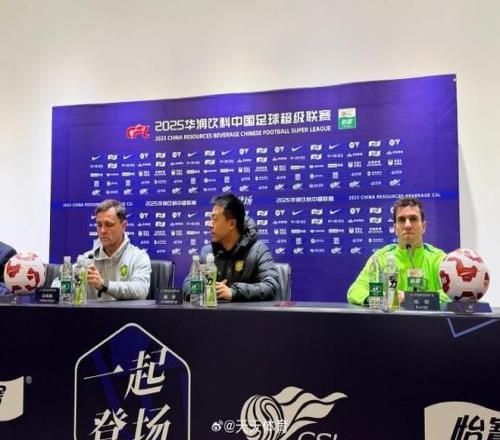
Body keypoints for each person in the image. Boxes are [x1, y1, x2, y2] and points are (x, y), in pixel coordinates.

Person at [347, 197, 449, 305]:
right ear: (395, 228)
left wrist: (410, 298)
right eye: (401, 220)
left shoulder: (438, 259)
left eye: (413, 219)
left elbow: (452, 294)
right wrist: (382, 299)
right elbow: (355, 291)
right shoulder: (381, 258)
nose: (407, 225)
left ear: (423, 226)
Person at [183, 193, 279, 301]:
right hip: (213, 311)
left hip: (245, 312)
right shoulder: (207, 252)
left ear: (232, 224)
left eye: (215, 219)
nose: (210, 224)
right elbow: (188, 283)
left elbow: (271, 286)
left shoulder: (258, 251)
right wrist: (206, 289)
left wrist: (234, 292)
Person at [82, 199, 151, 300]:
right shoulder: (87, 259)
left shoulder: (138, 257)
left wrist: (104, 285)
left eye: (109, 225)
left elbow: (140, 291)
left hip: (126, 311)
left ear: (123, 226)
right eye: (99, 225)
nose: (102, 230)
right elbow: (64, 285)